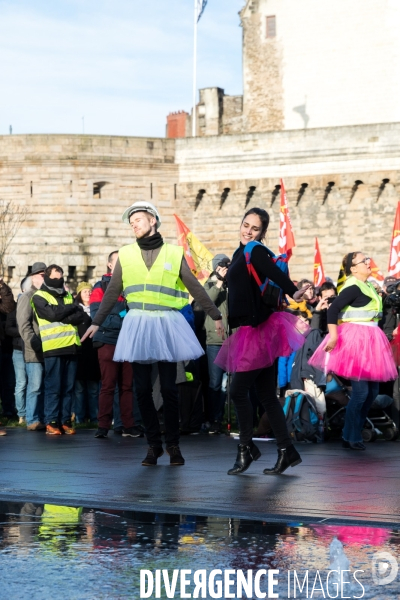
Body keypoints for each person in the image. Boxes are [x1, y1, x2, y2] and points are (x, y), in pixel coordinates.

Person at [82, 201, 223, 466]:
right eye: (131, 221)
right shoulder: (126, 254)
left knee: (169, 389)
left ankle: (173, 444)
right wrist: (97, 322)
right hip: (138, 323)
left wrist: (215, 314)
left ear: (153, 220)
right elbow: (113, 291)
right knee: (143, 389)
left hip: (167, 323)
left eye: (138, 219)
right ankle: (153, 445)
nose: (133, 223)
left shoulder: (173, 252)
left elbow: (194, 286)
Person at [214, 207, 311, 475]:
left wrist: (294, 291)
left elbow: (274, 272)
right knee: (267, 395)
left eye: (254, 228)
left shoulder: (254, 250)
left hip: (257, 330)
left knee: (237, 392)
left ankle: (245, 449)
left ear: (262, 232)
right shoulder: (239, 253)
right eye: (246, 225)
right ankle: (286, 451)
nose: (248, 231)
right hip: (255, 329)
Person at [309, 252, 398, 450]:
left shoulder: (368, 285)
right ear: (353, 268)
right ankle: (350, 435)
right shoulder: (352, 286)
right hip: (357, 341)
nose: (368, 262)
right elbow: (332, 311)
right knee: (361, 392)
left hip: (371, 339)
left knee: (372, 392)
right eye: (363, 260)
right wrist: (333, 336)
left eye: (367, 259)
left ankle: (355, 432)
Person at [90, 251, 141, 438]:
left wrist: (116, 312)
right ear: (110, 265)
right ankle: (103, 426)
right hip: (107, 341)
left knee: (127, 386)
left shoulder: (131, 287)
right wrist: (123, 314)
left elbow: (134, 313)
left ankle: (128, 425)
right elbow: (98, 317)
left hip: (127, 341)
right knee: (108, 385)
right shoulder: (100, 287)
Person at [31, 264, 85, 435]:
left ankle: (65, 421)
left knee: (68, 388)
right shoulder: (39, 296)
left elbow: (80, 315)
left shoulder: (68, 294)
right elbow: (51, 315)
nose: (57, 281)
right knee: (54, 387)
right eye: (54, 278)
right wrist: (70, 308)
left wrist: (64, 311)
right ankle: (52, 421)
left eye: (60, 277)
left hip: (71, 346)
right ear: (47, 277)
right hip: (53, 347)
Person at [17, 262, 47, 431]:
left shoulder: (45, 296)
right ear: (32, 277)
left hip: (48, 348)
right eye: (41, 275)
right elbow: (24, 325)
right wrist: (35, 344)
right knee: (34, 387)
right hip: (34, 350)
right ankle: (32, 419)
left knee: (43, 387)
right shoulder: (27, 297)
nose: (44, 278)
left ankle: (41, 418)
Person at [204, 254, 229, 434]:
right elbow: (207, 302)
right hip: (215, 341)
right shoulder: (209, 285)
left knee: (226, 384)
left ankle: (221, 418)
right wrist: (219, 281)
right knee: (215, 383)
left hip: (232, 340)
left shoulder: (231, 286)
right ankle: (212, 418)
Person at [6, 276, 33, 425]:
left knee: (33, 383)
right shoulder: (14, 308)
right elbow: (8, 328)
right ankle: (21, 414)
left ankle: (31, 413)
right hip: (18, 349)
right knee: (21, 383)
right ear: (23, 289)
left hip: (32, 348)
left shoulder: (37, 304)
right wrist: (24, 331)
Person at [73, 282, 100, 424]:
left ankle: (95, 418)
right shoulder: (76, 310)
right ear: (79, 294)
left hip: (94, 353)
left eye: (90, 291)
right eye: (84, 291)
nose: (88, 294)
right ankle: (79, 418)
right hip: (80, 352)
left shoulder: (98, 309)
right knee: (79, 390)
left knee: (94, 389)